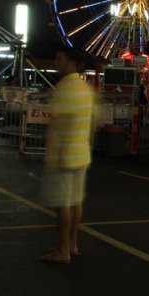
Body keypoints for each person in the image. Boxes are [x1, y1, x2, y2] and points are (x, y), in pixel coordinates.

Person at [39, 47, 96, 264]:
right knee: (75, 202)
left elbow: (60, 120)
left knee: (63, 204)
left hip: (64, 155)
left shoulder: (65, 88)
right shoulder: (85, 88)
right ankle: (72, 244)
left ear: (72, 62)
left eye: (59, 58)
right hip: (81, 153)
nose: (55, 62)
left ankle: (62, 251)